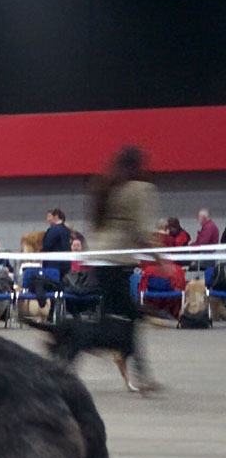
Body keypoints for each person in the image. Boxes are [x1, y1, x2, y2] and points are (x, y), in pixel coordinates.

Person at [86, 145, 161, 389]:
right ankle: (71, 339)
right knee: (129, 318)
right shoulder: (139, 189)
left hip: (100, 257)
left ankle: (134, 368)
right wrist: (161, 259)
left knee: (118, 317)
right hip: (118, 261)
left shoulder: (106, 185)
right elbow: (140, 229)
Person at [42, 207, 73, 280]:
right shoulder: (67, 230)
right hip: (66, 264)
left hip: (53, 265)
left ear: (55, 216)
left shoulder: (53, 230)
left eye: (50, 217)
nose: (48, 219)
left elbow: (47, 246)